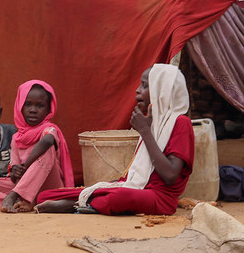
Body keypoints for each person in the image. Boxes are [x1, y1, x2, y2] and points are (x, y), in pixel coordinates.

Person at [36, 65, 193, 215]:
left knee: (118, 198)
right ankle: (89, 202)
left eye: (145, 86)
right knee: (46, 195)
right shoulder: (153, 123)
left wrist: (145, 131)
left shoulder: (180, 123)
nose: (138, 90)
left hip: (159, 198)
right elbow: (135, 176)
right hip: (134, 189)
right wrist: (103, 186)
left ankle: (75, 205)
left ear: (161, 92)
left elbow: (170, 175)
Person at [0, 80, 74, 213]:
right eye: (28, 104)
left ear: (49, 109)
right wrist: (15, 171)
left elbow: (48, 141)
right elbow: (14, 174)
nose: (33, 110)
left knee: (47, 150)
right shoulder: (17, 137)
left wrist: (26, 166)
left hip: (49, 185)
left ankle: (14, 197)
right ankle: (28, 201)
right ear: (20, 106)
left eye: (40, 106)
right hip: (24, 186)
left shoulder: (49, 130)